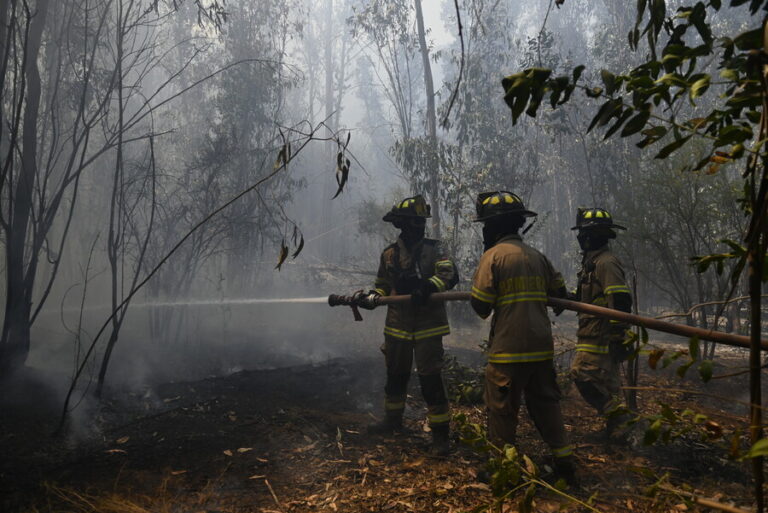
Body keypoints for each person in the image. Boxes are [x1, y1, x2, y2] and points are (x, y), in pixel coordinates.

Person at [469, 191, 576, 484]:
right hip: (541, 348)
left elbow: (480, 306)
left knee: (502, 409)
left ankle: (504, 469)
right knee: (546, 403)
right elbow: (560, 294)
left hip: (508, 350)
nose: (484, 230)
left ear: (494, 227)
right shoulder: (538, 256)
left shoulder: (492, 256)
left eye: (485, 226)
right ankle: (564, 460)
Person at [355, 194, 458, 456]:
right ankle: (392, 422)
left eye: (421, 221)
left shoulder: (437, 249)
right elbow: (381, 284)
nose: (419, 226)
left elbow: (448, 274)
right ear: (401, 224)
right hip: (397, 324)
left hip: (428, 325)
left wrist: (428, 286)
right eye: (414, 222)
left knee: (431, 381)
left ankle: (440, 438)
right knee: (396, 376)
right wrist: (373, 297)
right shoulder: (389, 254)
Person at [569, 207, 633, 438]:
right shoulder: (592, 263)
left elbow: (620, 299)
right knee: (608, 384)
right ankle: (620, 432)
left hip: (602, 335)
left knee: (581, 375)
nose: (581, 238)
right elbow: (584, 299)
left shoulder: (606, 262)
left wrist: (618, 335)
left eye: (584, 234)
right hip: (591, 333)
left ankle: (619, 419)